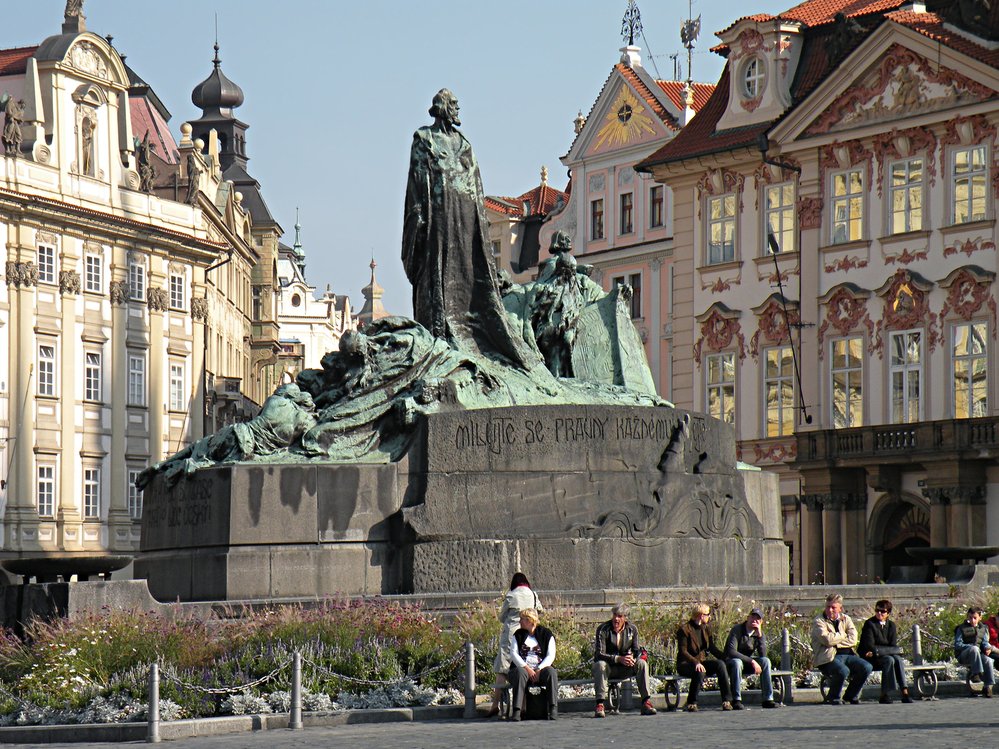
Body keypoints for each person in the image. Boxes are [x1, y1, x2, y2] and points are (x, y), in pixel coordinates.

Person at [401, 88, 534, 369]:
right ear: (442, 108)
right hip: (438, 218)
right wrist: (420, 220)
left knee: (467, 268)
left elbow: (476, 186)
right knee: (439, 270)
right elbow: (417, 184)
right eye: (454, 105)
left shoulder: (464, 145)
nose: (458, 109)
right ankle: (441, 330)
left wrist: (481, 228)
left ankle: (470, 328)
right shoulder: (424, 140)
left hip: (465, 218)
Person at [487, 573, 542, 717]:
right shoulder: (533, 595)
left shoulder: (511, 595)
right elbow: (539, 611)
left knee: (502, 668)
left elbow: (502, 616)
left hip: (511, 634)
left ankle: (495, 704)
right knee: (523, 668)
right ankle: (522, 706)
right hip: (527, 633)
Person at [592, 603, 657, 718]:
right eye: (615, 615)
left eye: (620, 616)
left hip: (626, 667)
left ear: (625, 618)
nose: (616, 619)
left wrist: (633, 658)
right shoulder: (603, 629)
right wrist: (618, 659)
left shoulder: (632, 629)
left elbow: (637, 651)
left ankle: (646, 702)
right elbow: (599, 654)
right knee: (600, 665)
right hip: (609, 668)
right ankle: (600, 704)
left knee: (642, 663)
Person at [811, 593, 872, 705]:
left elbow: (853, 639)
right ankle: (833, 697)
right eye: (828, 606)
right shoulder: (819, 621)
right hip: (828, 657)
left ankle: (850, 695)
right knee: (843, 670)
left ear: (840, 608)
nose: (830, 610)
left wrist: (835, 641)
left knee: (866, 667)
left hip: (848, 655)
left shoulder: (846, 619)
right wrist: (843, 635)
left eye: (833, 607)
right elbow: (827, 640)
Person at [676, 603, 733, 712]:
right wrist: (696, 663)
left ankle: (727, 700)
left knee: (720, 664)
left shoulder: (706, 628)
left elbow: (711, 648)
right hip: (686, 664)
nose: (709, 617)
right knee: (700, 671)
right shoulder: (685, 629)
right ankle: (692, 702)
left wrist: (726, 658)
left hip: (701, 662)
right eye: (707, 614)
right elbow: (683, 651)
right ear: (701, 616)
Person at [724, 607, 781, 709]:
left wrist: (759, 636)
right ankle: (736, 700)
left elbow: (763, 654)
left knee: (766, 661)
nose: (754, 620)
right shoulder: (737, 629)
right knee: (737, 662)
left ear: (761, 622)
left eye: (757, 619)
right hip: (732, 663)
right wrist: (752, 661)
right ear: (748, 618)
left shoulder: (759, 633)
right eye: (752, 617)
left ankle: (768, 699)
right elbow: (731, 651)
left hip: (747, 663)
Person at [508, 608, 558, 721]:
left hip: (541, 668)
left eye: (522, 619)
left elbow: (550, 655)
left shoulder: (546, 634)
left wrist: (539, 669)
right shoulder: (518, 635)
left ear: (530, 621)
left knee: (551, 672)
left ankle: (553, 707)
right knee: (520, 673)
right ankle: (517, 710)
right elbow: (514, 654)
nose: (520, 621)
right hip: (522, 670)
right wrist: (527, 668)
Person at [860, 599, 913, 704]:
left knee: (897, 659)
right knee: (889, 659)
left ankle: (905, 691)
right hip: (871, 657)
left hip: (881, 654)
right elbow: (870, 645)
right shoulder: (870, 624)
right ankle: (884, 694)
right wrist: (881, 650)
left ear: (888, 613)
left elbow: (893, 645)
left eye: (882, 611)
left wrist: (880, 650)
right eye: (877, 610)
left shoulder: (891, 625)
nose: (879, 613)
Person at [954, 606, 995, 697]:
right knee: (974, 649)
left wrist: (987, 648)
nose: (972, 620)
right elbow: (957, 644)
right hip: (964, 655)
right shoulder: (961, 628)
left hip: (978, 655)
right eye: (970, 618)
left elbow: (984, 643)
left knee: (988, 660)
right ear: (967, 617)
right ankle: (976, 673)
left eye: (975, 618)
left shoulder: (983, 628)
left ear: (980, 618)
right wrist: (970, 647)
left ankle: (988, 686)